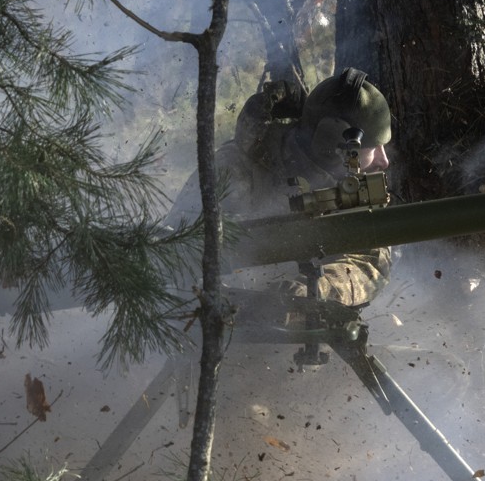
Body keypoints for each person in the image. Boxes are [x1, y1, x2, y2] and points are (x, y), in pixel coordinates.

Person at [166, 68, 393, 308]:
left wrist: (316, 290)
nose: (384, 160)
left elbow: (370, 262)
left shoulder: (353, 182)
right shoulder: (232, 170)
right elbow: (173, 255)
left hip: (309, 319)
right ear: (334, 142)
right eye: (373, 147)